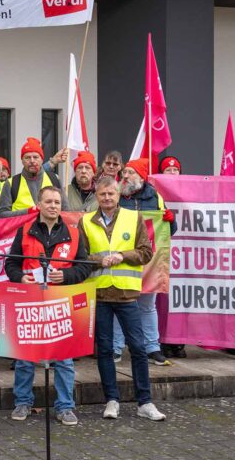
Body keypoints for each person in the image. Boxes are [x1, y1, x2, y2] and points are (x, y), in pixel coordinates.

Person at [78, 176, 164, 421]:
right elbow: (80, 256)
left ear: (118, 195)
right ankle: (111, 400)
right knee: (104, 350)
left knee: (138, 348)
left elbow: (146, 252)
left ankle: (145, 402)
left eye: (111, 194)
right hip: (101, 293)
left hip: (126, 295)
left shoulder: (133, 217)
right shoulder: (85, 221)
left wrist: (122, 255)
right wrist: (98, 260)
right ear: (97, 195)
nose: (107, 198)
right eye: (103, 194)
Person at [5, 187, 93, 426]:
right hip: (30, 302)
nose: (53, 205)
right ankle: (23, 402)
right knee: (25, 357)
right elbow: (11, 263)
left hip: (61, 302)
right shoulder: (24, 231)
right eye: (48, 201)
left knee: (64, 359)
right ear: (39, 204)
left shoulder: (74, 234)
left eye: (57, 202)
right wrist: (20, 277)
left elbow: (85, 267)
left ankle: (65, 407)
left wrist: (66, 276)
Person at [112, 158, 174, 365]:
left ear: (141, 177)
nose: (125, 176)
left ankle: (152, 347)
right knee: (119, 302)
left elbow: (169, 232)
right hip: (123, 258)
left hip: (149, 261)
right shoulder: (117, 196)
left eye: (130, 172)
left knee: (147, 305)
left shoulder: (155, 198)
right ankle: (115, 347)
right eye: (125, 173)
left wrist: (170, 220)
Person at [157, 156, 185, 359]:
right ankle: (163, 340)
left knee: (182, 300)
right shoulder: (155, 193)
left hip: (187, 255)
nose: (172, 173)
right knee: (162, 300)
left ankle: (178, 341)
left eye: (176, 170)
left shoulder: (189, 191)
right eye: (168, 170)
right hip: (164, 253)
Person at [9, 138, 62, 214]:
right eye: (27, 157)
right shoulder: (11, 183)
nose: (32, 161)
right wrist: (28, 211)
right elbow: (2, 215)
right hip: (22, 226)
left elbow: (65, 210)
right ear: (22, 160)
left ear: (42, 159)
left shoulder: (54, 179)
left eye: (35, 157)